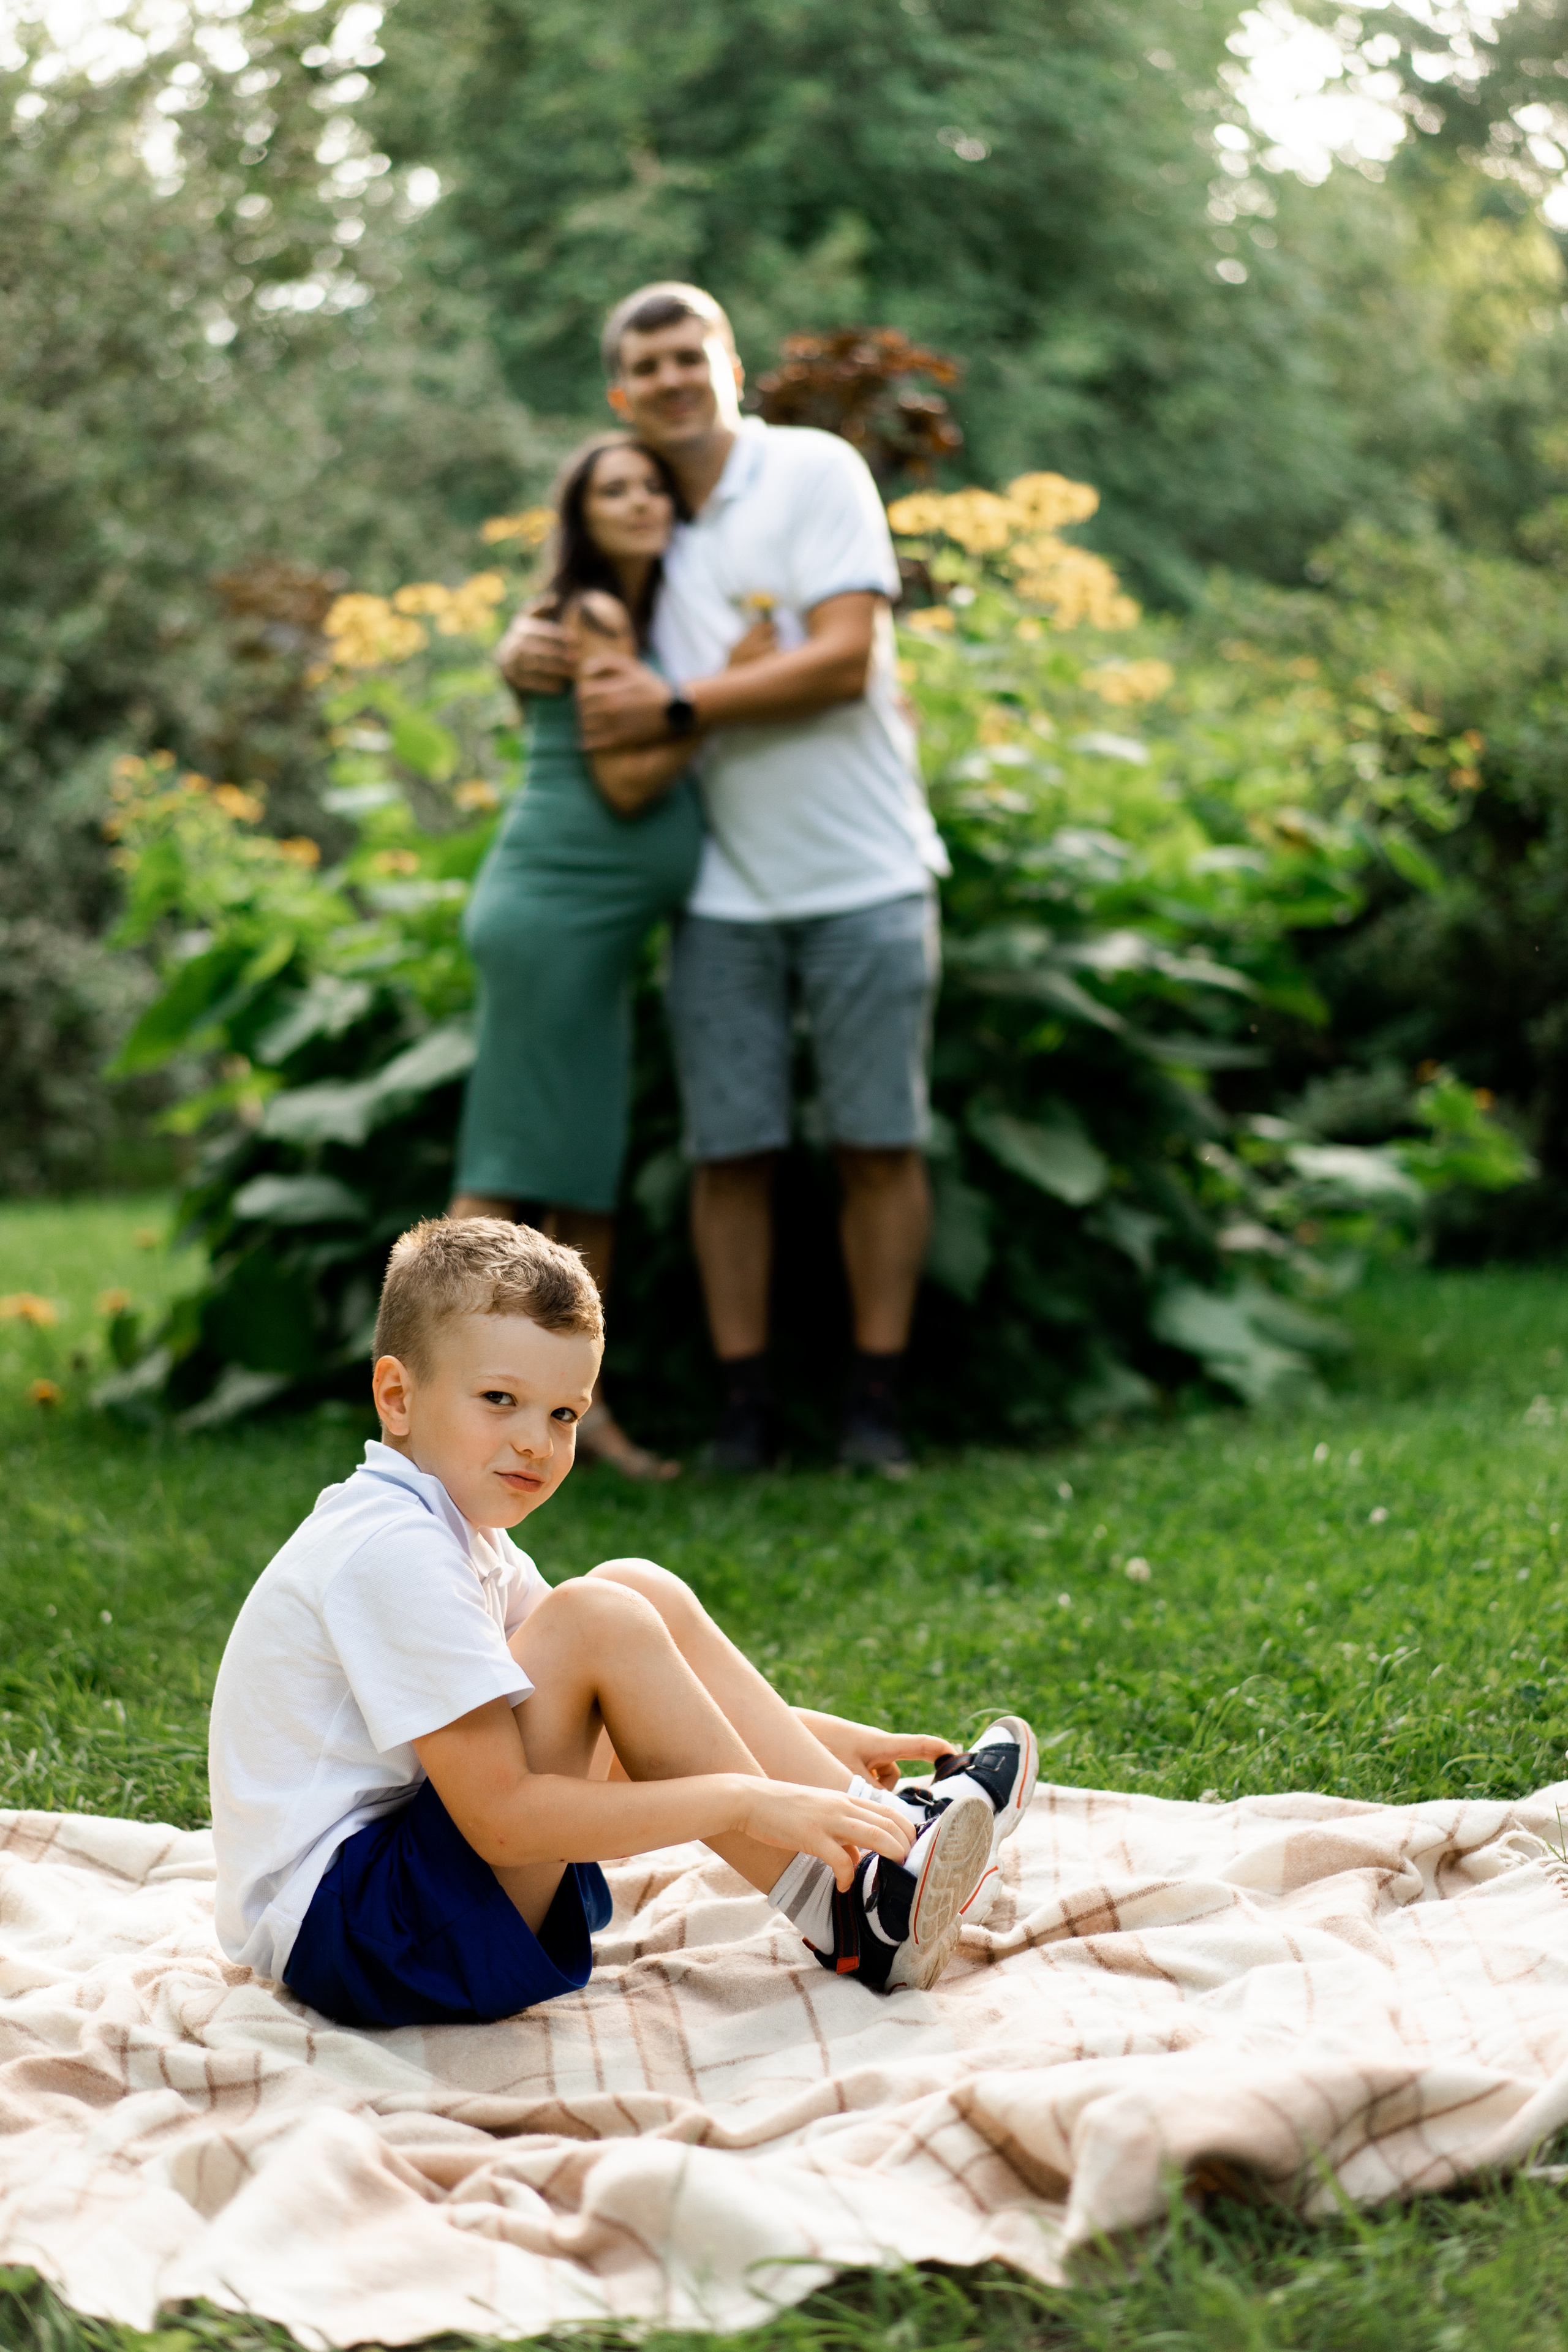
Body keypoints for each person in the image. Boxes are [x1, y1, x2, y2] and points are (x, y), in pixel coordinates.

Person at [208, 1216, 1040, 2029]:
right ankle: (858, 1909)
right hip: (359, 1935)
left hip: (403, 1905)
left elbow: (632, 1696)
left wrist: (818, 1750)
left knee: (633, 1590)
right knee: (596, 1614)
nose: (537, 1442)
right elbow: (502, 1820)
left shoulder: (458, 1534)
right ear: (397, 1395)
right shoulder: (392, 1550)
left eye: (565, 1415)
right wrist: (744, 1801)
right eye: (501, 1400)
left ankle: (887, 1837)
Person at [499, 284, 950, 1476]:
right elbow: (563, 615)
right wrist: (516, 646)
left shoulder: (813, 475)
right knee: (728, 1153)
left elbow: (846, 660)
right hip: (719, 891)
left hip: (866, 869)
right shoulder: (640, 519)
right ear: (618, 393)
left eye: (685, 355)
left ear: (729, 365)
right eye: (642, 366)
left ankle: (874, 1409)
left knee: (876, 1143)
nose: (667, 380)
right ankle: (742, 1411)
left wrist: (682, 702)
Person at [453, 432, 759, 1482]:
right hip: (554, 918)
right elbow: (628, 787)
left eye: (650, 486)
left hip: (586, 935)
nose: (636, 502)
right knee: (507, 1188)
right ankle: (430, 1429)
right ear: (579, 519)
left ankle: (561, 1418)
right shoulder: (593, 615)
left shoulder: (631, 614)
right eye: (610, 491)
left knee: (578, 1191)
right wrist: (729, 696)